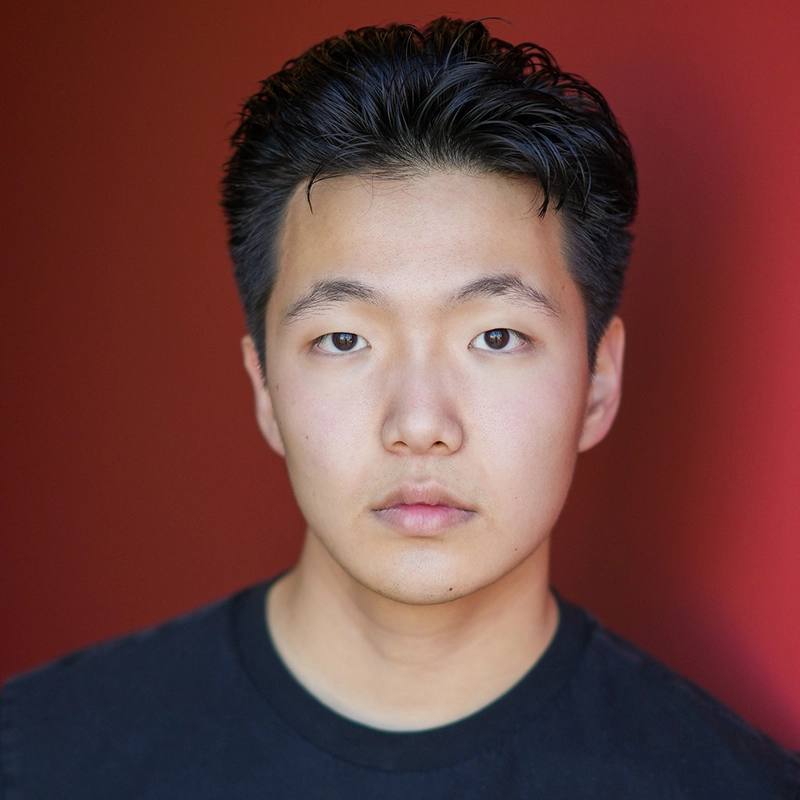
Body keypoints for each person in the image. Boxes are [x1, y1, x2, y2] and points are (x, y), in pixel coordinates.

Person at [2, 17, 797, 799]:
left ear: (599, 381)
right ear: (264, 389)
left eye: (495, 335)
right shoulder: (36, 757)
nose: (419, 424)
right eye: (345, 339)